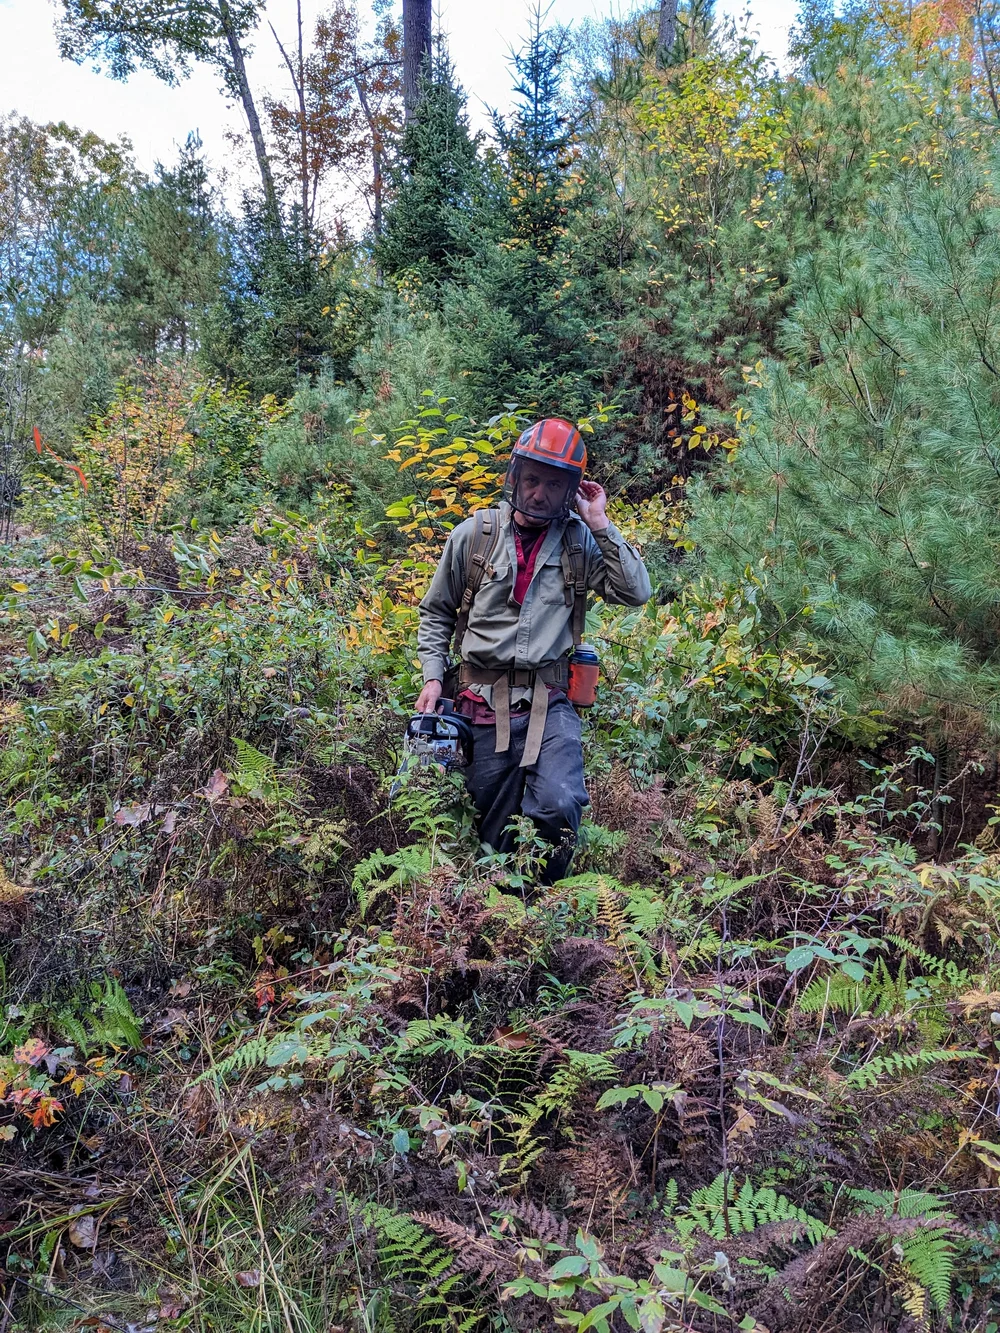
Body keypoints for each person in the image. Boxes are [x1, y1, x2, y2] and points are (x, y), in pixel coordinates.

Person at [415, 417, 652, 885]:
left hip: (550, 701)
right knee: (489, 825)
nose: (539, 493)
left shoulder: (581, 542)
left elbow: (636, 591)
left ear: (570, 490)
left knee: (560, 804)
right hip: (479, 702)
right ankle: (498, 916)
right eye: (532, 479)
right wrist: (433, 675)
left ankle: (543, 905)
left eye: (553, 483)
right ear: (516, 476)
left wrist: (600, 522)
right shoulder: (474, 536)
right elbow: (437, 612)